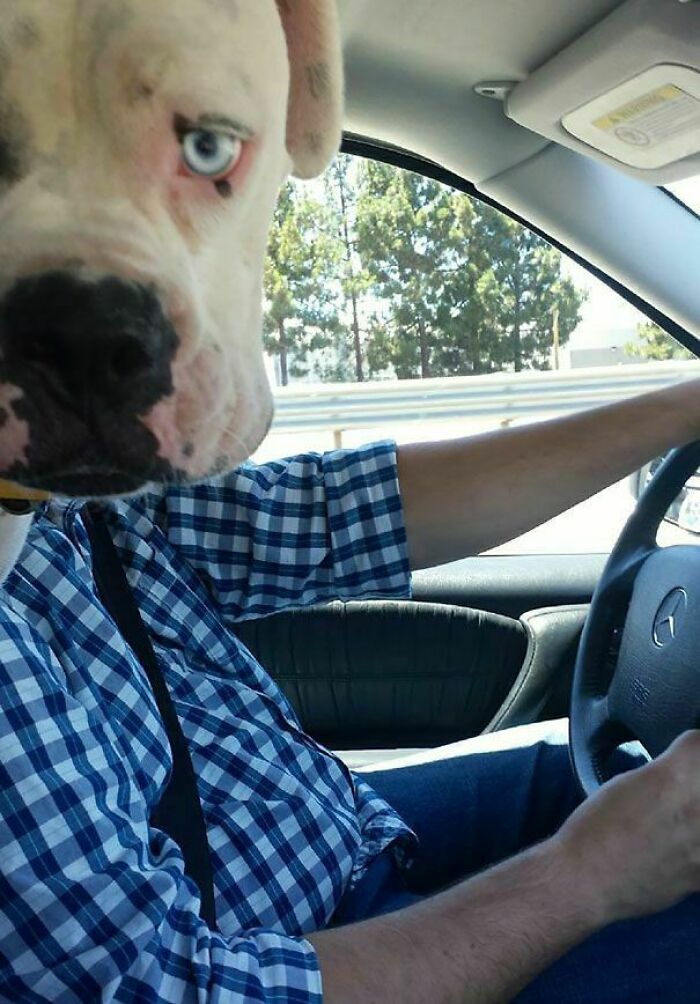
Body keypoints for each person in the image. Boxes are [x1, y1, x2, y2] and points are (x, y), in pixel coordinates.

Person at [2, 378, 700, 1004]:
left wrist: (683, 406)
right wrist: (580, 879)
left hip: (329, 838)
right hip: (282, 959)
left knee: (586, 780)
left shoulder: (61, 504)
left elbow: (335, 512)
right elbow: (172, 988)